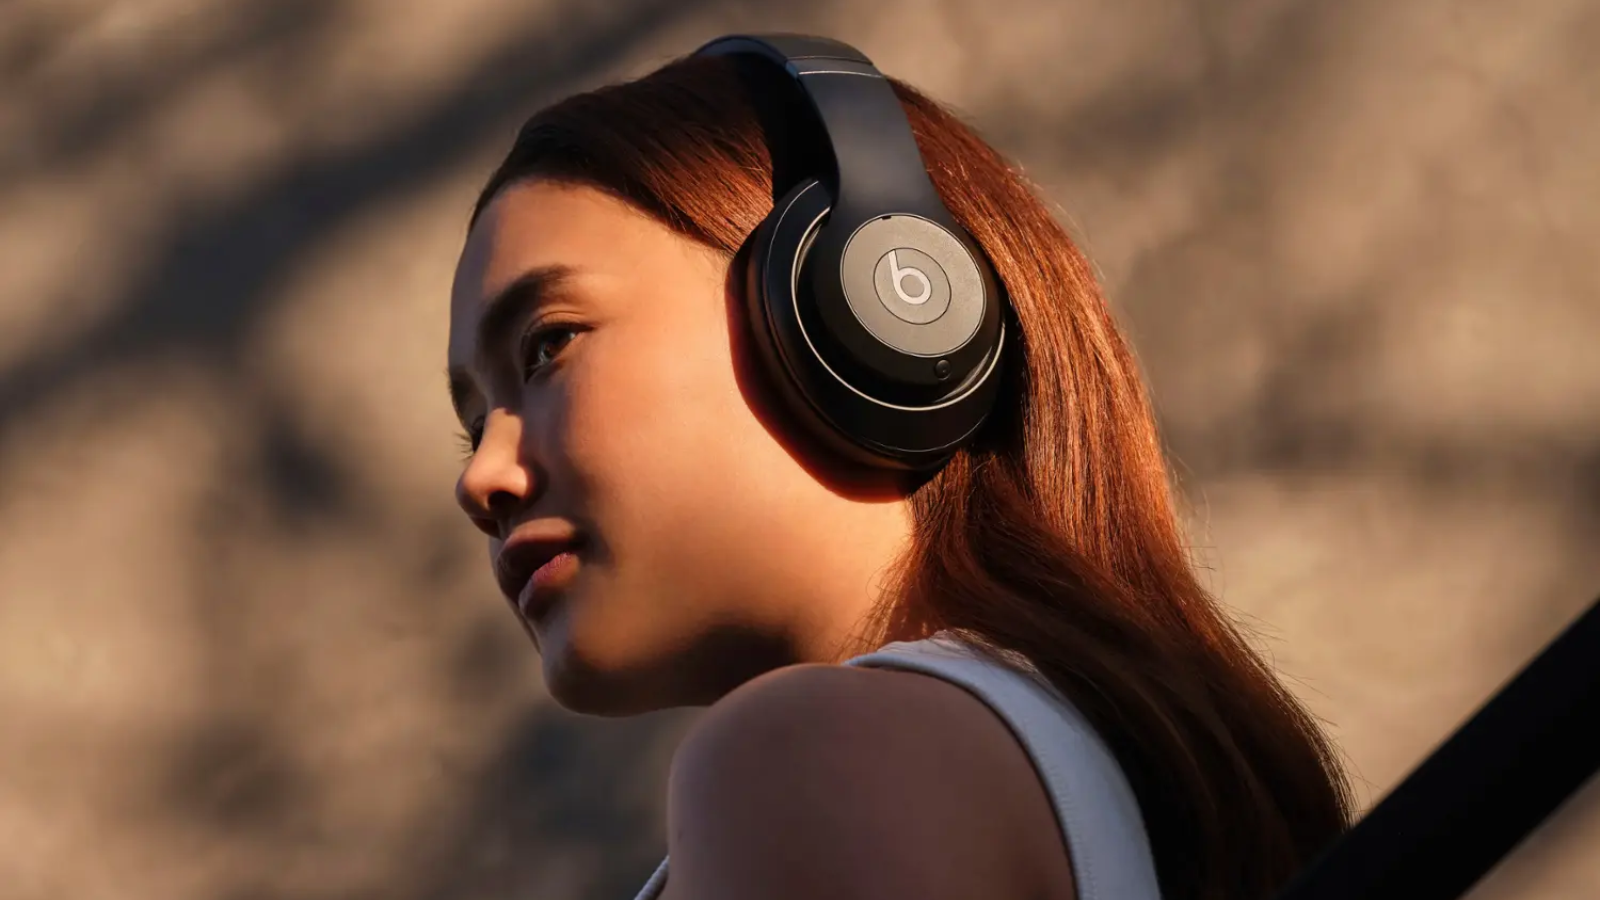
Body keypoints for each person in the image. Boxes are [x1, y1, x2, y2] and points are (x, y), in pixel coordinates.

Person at [444, 33, 1353, 900]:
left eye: (548, 345)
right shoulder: (1100, 774)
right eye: (474, 422)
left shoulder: (812, 757)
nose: (480, 479)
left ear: (867, 303)